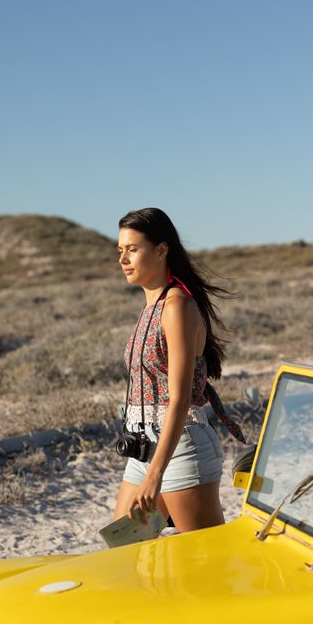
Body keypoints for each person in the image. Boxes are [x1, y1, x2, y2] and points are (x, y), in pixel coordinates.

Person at [113, 207, 245, 533]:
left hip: (181, 446)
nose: (123, 259)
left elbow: (179, 399)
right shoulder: (151, 307)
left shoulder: (177, 307)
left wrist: (155, 474)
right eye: (120, 250)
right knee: (125, 549)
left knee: (207, 560)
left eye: (132, 249)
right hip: (145, 444)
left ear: (160, 250)